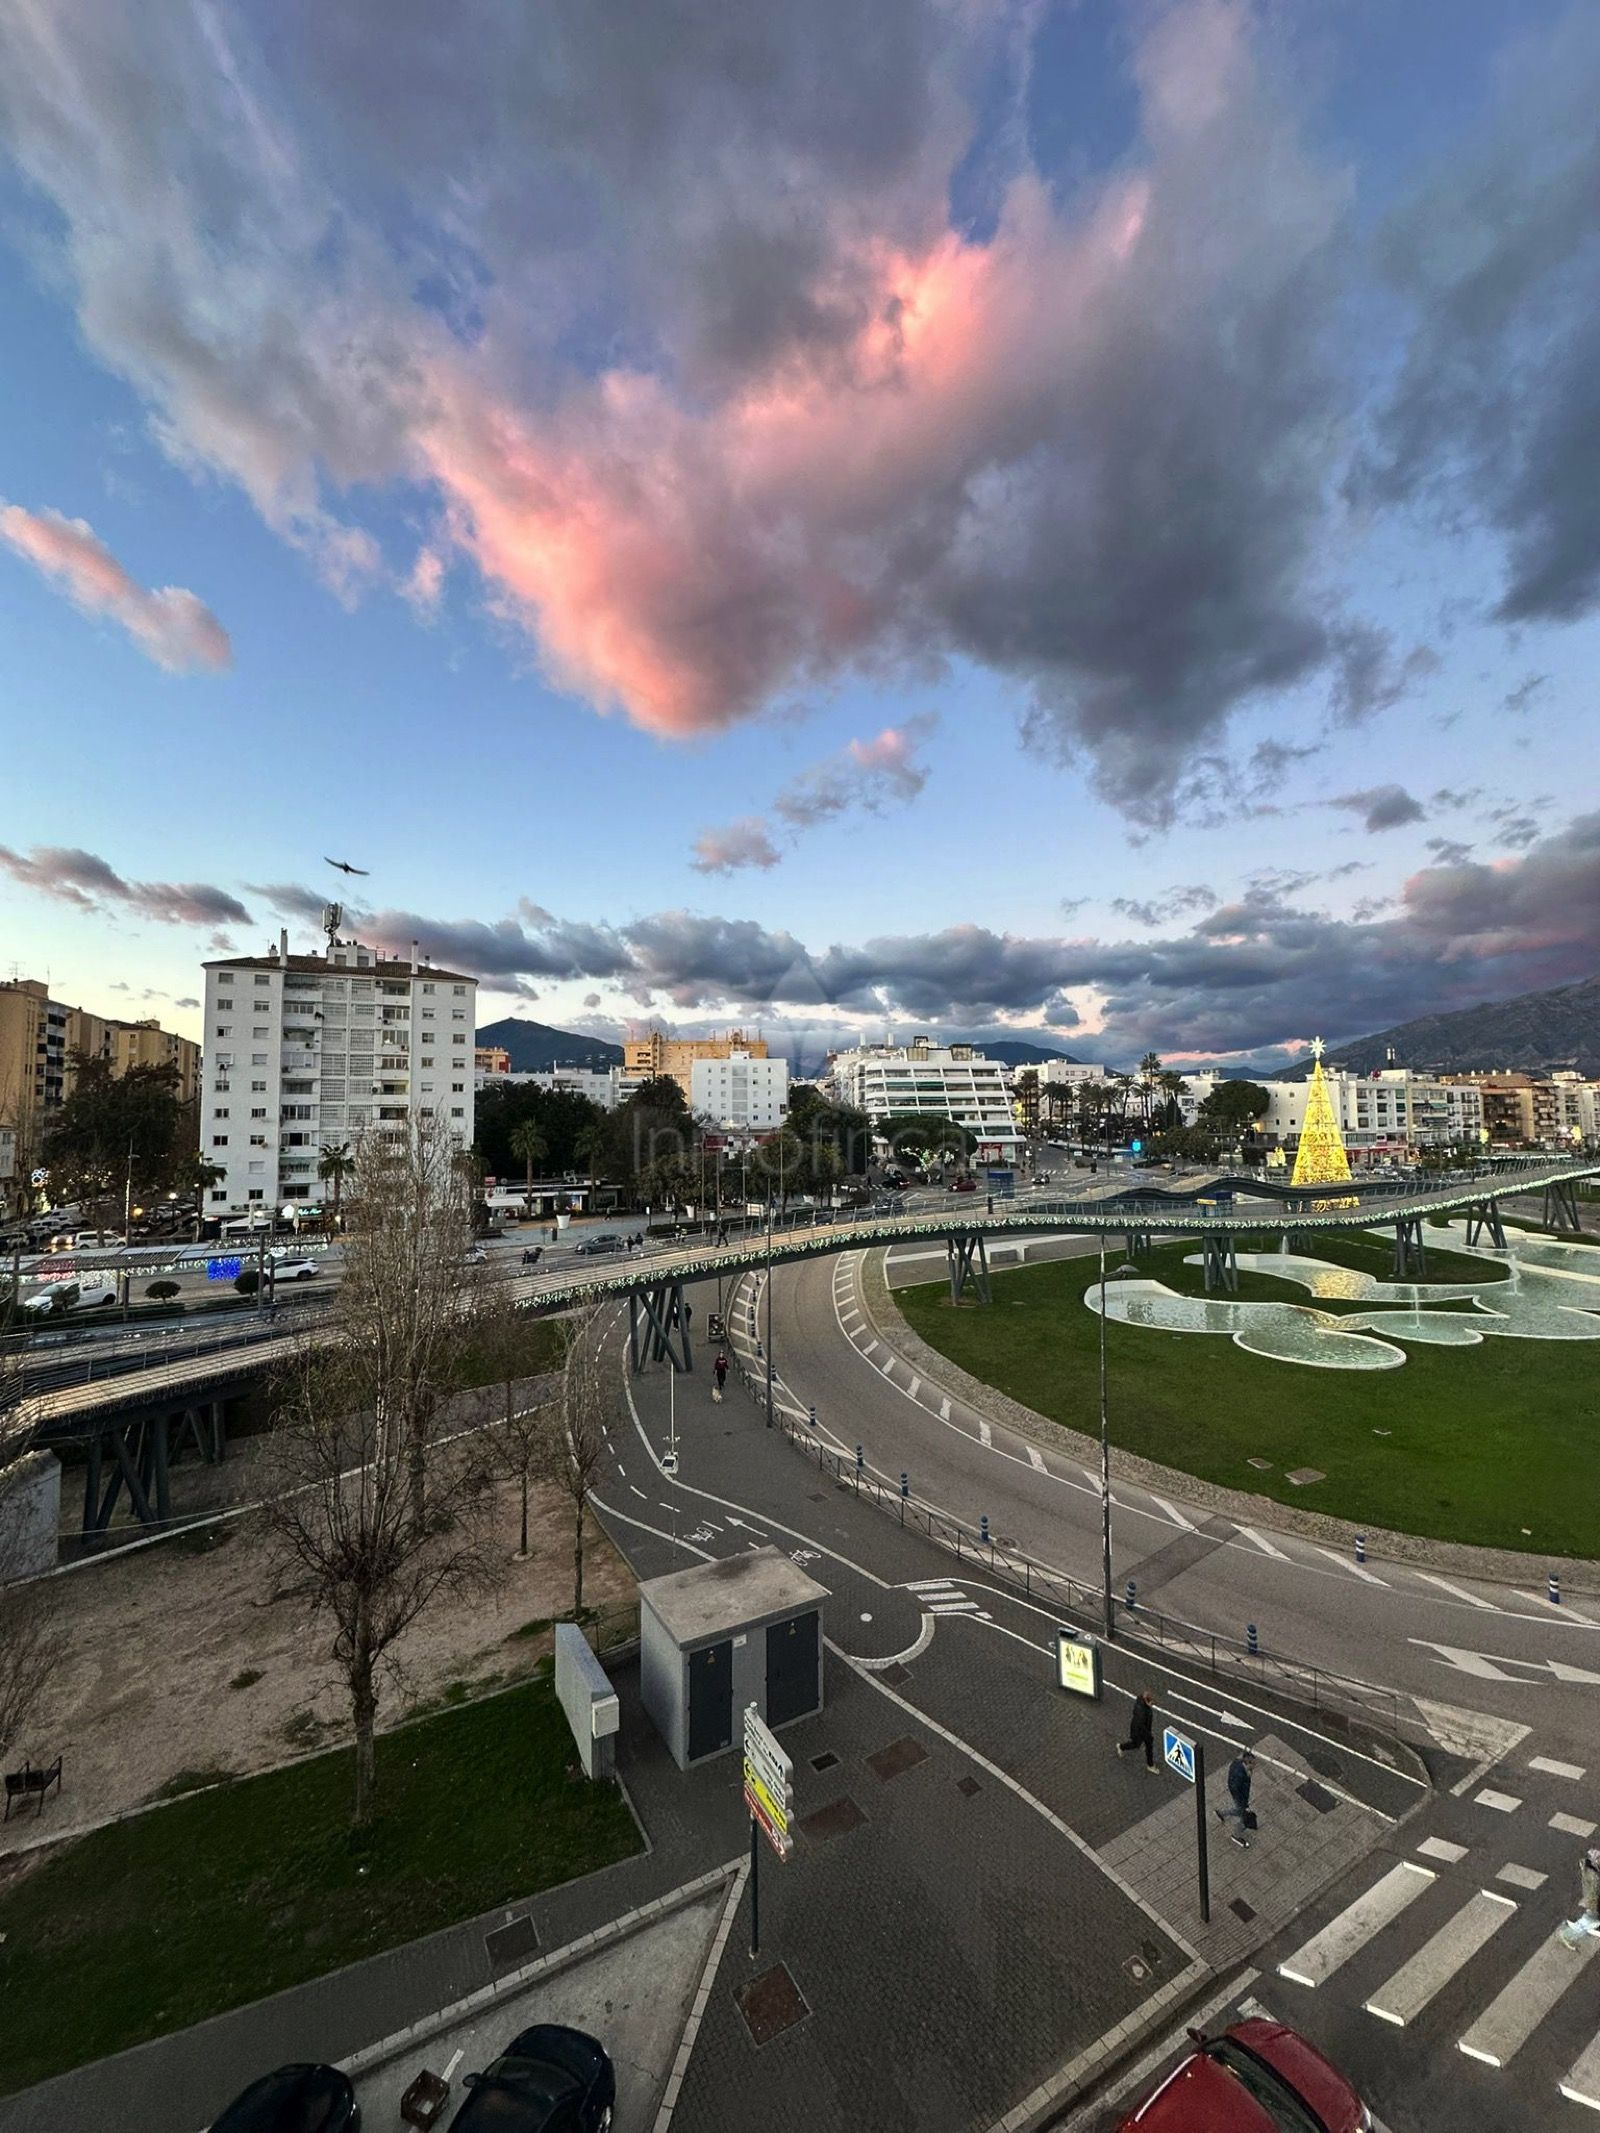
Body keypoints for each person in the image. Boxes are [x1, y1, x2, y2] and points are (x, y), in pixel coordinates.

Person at [1558, 1846, 1600, 1947]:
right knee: (1590, 1921)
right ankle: (1567, 1934)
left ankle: (1567, 1933)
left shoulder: (1593, 1874)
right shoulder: (1594, 1876)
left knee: (1591, 1920)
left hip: (1592, 1905)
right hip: (1592, 1907)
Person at [1216, 1751, 1256, 1846]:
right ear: (1247, 1763)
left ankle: (1221, 1813)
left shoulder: (1237, 1763)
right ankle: (1236, 1836)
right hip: (1240, 1798)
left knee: (1238, 1810)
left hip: (1237, 1795)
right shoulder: (1241, 1775)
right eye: (1253, 1764)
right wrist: (1245, 1805)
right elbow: (1238, 1790)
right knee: (1245, 1818)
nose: (1254, 1766)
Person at [1116, 1689, 1157, 1770]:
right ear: (1147, 1701)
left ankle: (1150, 1764)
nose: (1152, 1705)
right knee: (1136, 1744)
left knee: (1147, 1746)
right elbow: (1141, 1726)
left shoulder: (1141, 1705)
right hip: (1139, 1732)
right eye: (1151, 1703)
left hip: (1141, 1730)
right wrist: (1148, 1735)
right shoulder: (1141, 1711)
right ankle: (1121, 1747)